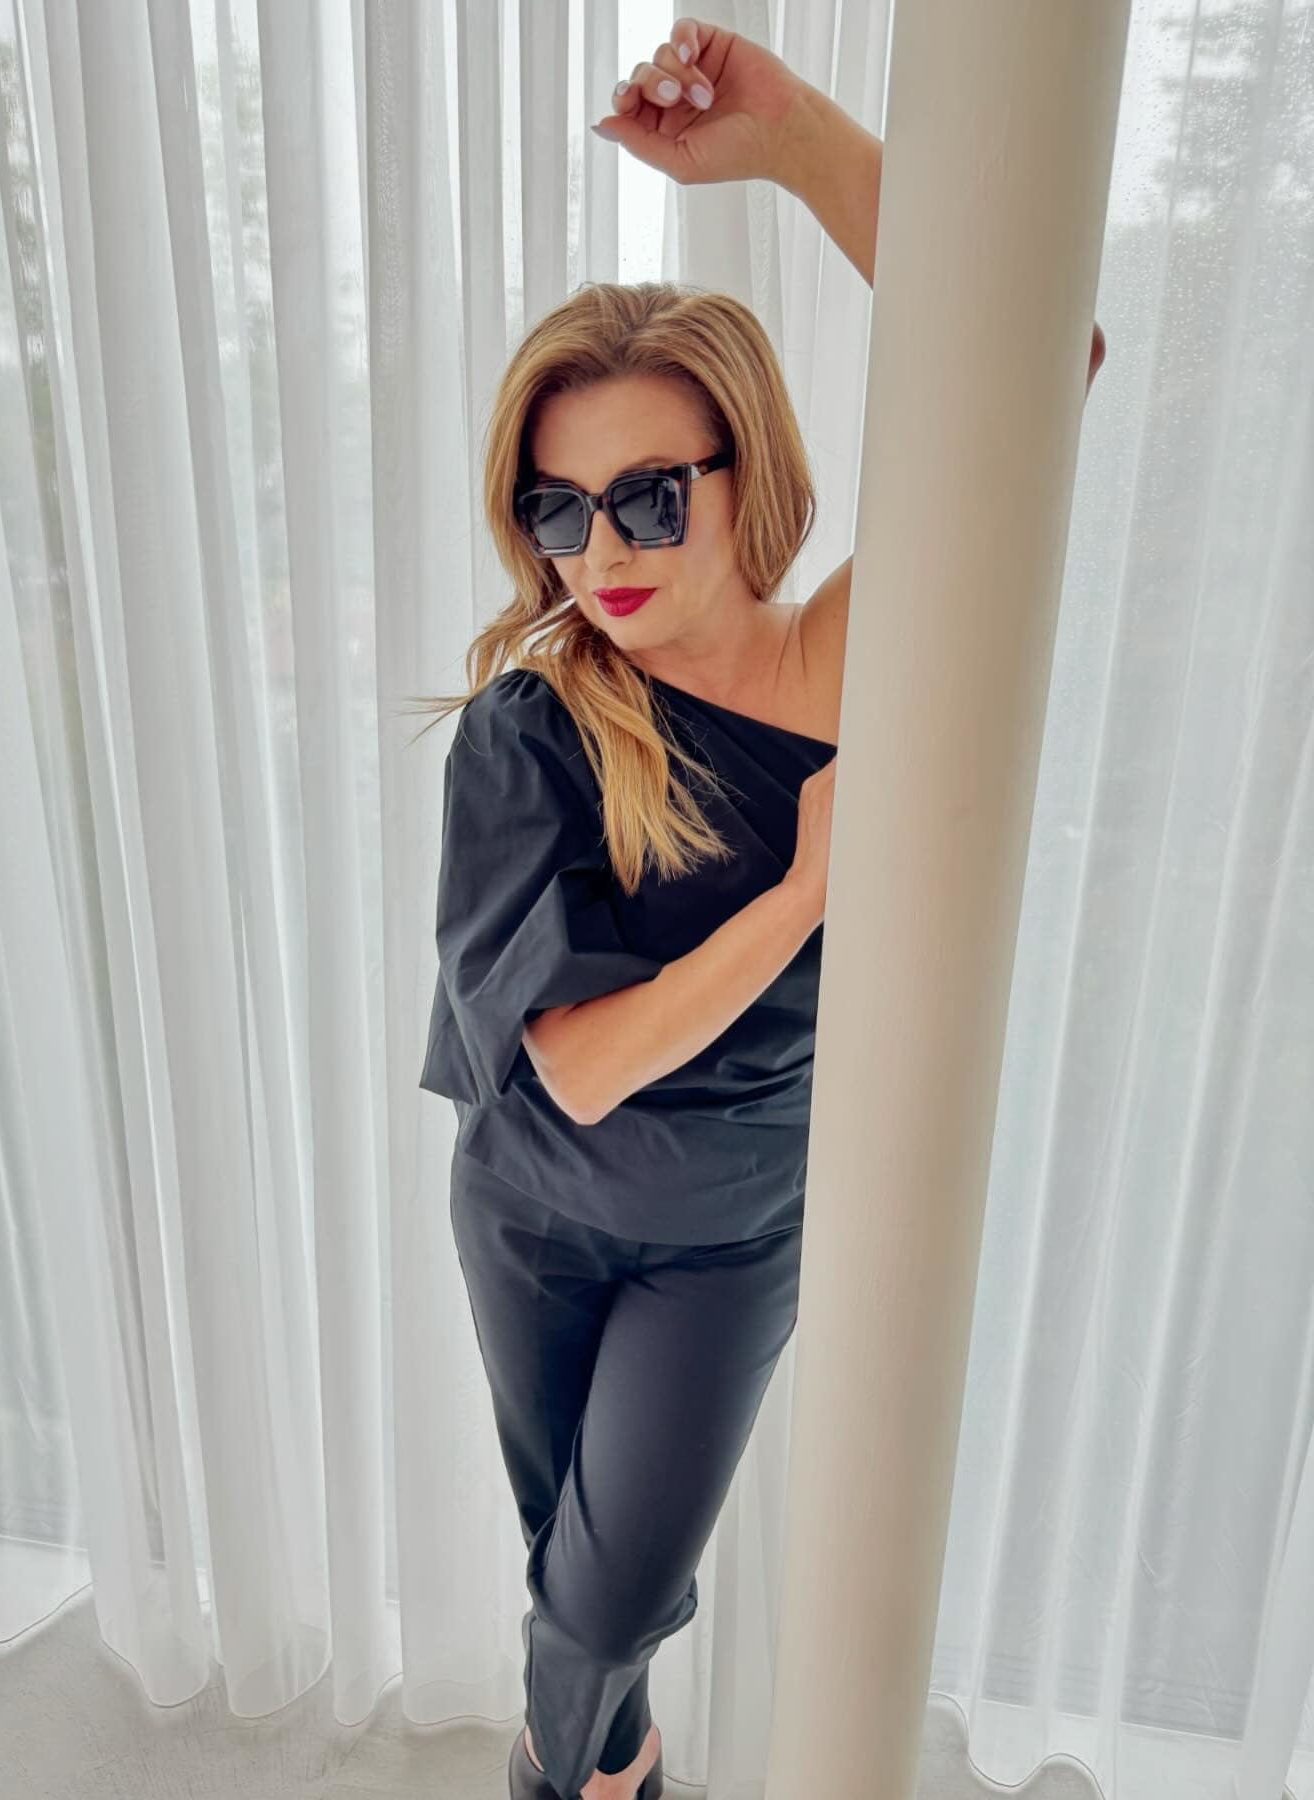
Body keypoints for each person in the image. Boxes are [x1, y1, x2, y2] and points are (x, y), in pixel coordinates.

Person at [407, 20, 1105, 1800]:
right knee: (587, 1594)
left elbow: (1044, 355)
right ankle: (620, 1765)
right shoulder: (530, 727)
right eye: (561, 509)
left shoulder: (860, 644)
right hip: (534, 1207)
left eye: (651, 496)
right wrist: (804, 894)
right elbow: (574, 1066)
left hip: (733, 1232)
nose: (603, 554)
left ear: (746, 473)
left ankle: (573, 1774)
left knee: (599, 1600)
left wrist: (794, 143)